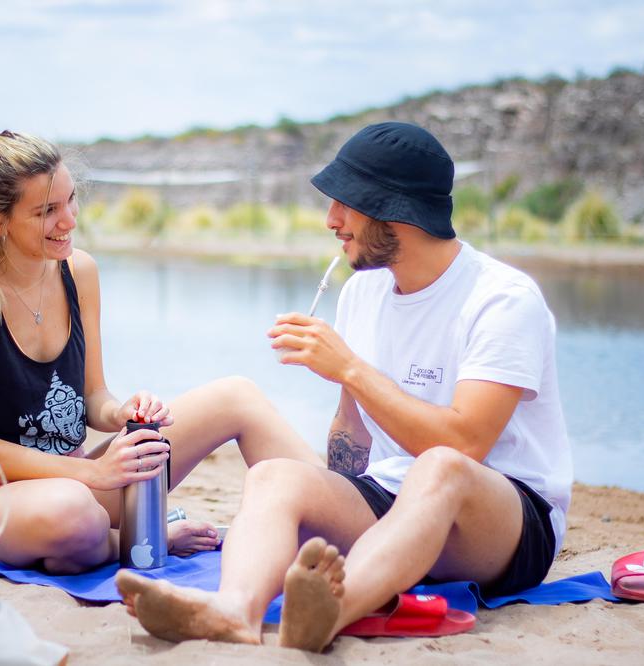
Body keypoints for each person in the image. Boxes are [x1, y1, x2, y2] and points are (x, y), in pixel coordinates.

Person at [116, 121, 573, 651]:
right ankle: (235, 609)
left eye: (346, 204)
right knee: (274, 476)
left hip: (507, 521)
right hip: (395, 496)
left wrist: (349, 368)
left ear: (394, 210)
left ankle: (335, 608)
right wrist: (328, 502)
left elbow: (465, 443)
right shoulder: (363, 292)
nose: (331, 220)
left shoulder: (502, 299)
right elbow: (351, 433)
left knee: (441, 466)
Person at [0, 122, 320, 574]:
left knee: (236, 396)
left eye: (71, 200)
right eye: (46, 211)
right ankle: (141, 540)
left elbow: (93, 397)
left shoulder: (79, 272)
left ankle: (345, 522)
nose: (69, 220)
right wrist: (93, 473)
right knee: (74, 512)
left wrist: (122, 413)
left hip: (75, 481)